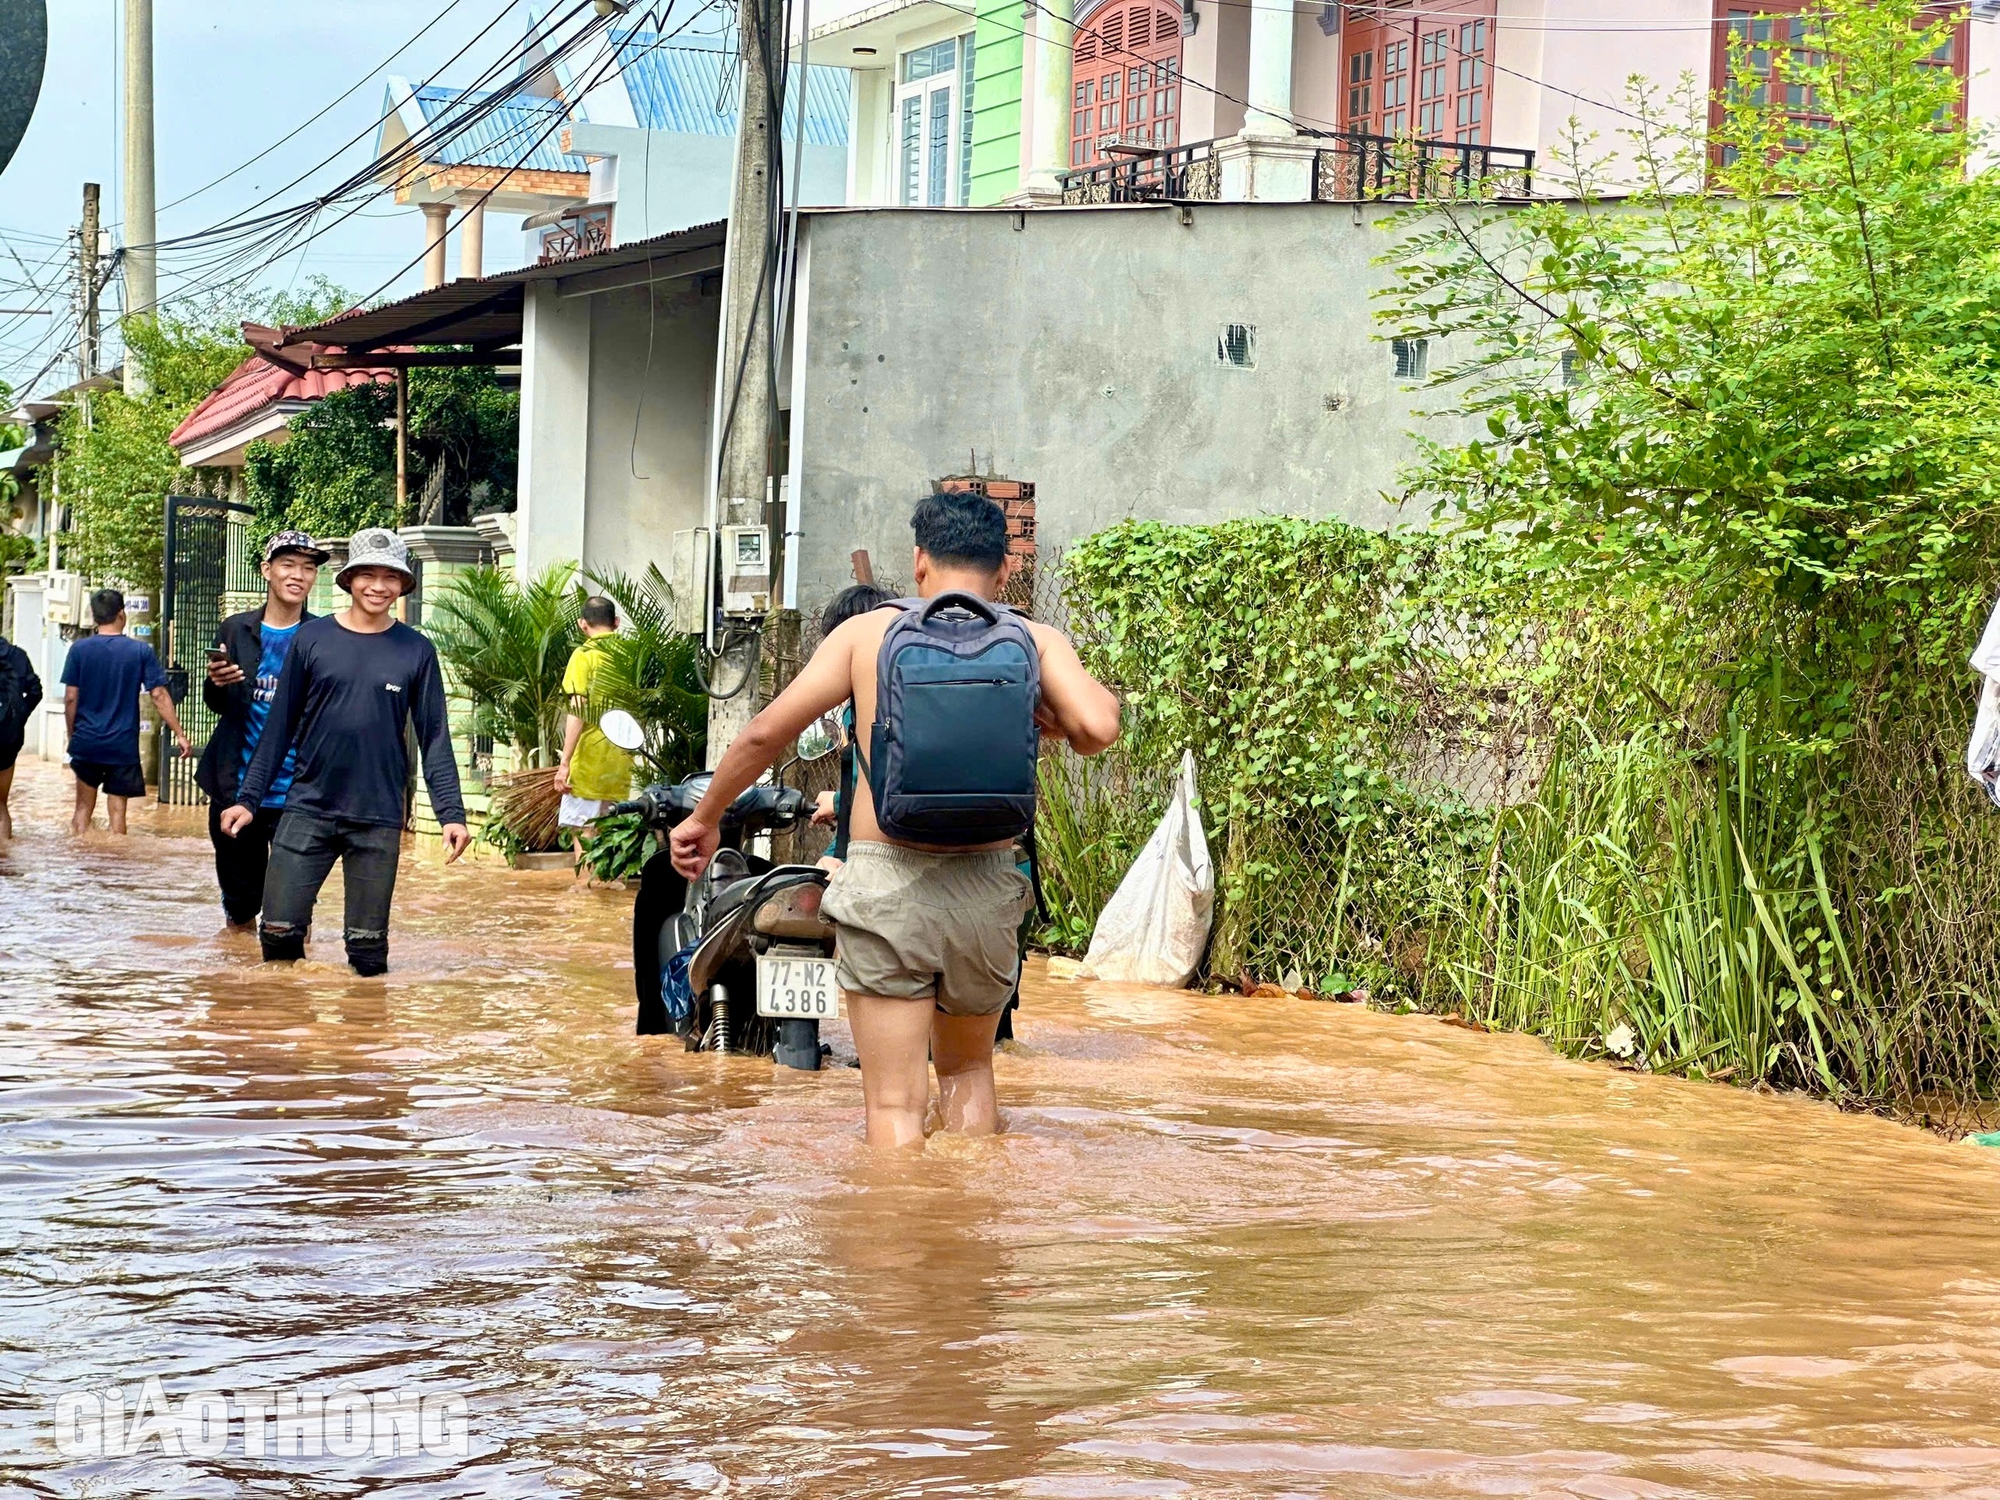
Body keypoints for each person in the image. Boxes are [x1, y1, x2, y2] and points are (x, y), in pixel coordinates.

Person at [671, 492, 1121, 1148]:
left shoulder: (866, 635)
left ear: (918, 561)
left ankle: (900, 1242)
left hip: (886, 884)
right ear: (1003, 570)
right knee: (969, 1072)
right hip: (989, 886)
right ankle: (970, 1235)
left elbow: (767, 734)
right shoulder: (1033, 639)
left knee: (893, 1106)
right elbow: (1100, 727)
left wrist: (707, 819)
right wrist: (1056, 721)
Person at [219, 528, 470, 976]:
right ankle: (283, 1032)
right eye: (367, 575)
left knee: (368, 950)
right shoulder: (312, 640)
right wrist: (248, 800)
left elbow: (434, 738)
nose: (378, 586)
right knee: (277, 932)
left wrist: (451, 814)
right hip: (308, 809)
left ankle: (364, 1038)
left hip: (377, 817)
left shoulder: (417, 650)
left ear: (403, 585)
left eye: (390, 577)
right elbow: (278, 729)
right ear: (350, 580)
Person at [196, 530, 327, 929]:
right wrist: (216, 683)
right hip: (236, 786)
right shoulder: (236, 630)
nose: (298, 575)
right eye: (288, 565)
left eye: (307, 568)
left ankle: (290, 986)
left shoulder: (323, 636)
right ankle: (239, 987)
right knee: (240, 907)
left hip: (299, 791)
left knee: (293, 911)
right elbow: (219, 706)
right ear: (266, 570)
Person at [61, 587, 191, 835]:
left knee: (81, 810)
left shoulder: (78, 650)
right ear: (122, 614)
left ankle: (79, 863)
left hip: (87, 741)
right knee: (118, 812)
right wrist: (179, 733)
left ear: (93, 614)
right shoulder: (140, 651)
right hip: (122, 744)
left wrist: (73, 736)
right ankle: (118, 869)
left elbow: (70, 698)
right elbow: (159, 694)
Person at [807, 582, 894, 865]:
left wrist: (836, 802)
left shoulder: (860, 709)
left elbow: (875, 789)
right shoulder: (911, 694)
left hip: (877, 852)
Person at [553, 595, 633, 873]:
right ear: (617, 623)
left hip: (589, 759)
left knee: (584, 833)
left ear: (582, 624)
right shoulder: (631, 654)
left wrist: (565, 763)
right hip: (623, 759)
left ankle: (585, 900)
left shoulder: (584, 656)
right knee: (612, 831)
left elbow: (578, 710)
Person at [0, 627, 42, 840]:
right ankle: (4, 859)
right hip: (7, 738)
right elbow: (36, 691)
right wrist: (20, 718)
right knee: (0, 806)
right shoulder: (17, 655)